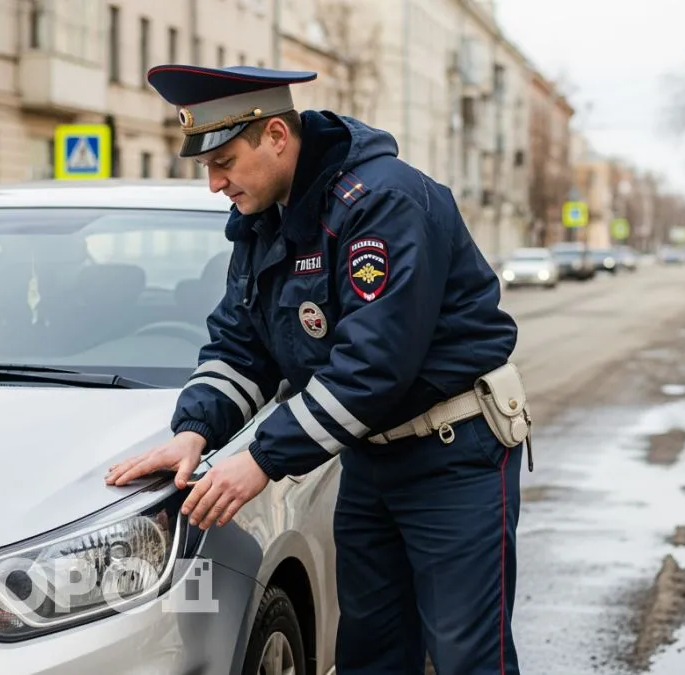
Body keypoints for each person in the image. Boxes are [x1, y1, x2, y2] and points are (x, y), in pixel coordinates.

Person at [105, 64, 528, 675]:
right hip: (369, 458)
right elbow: (241, 342)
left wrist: (261, 460)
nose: (214, 183)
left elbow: (374, 365)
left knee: (468, 657)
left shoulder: (381, 202)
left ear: (276, 135)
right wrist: (193, 432)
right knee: (371, 653)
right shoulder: (265, 219)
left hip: (452, 455)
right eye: (205, 167)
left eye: (223, 161)